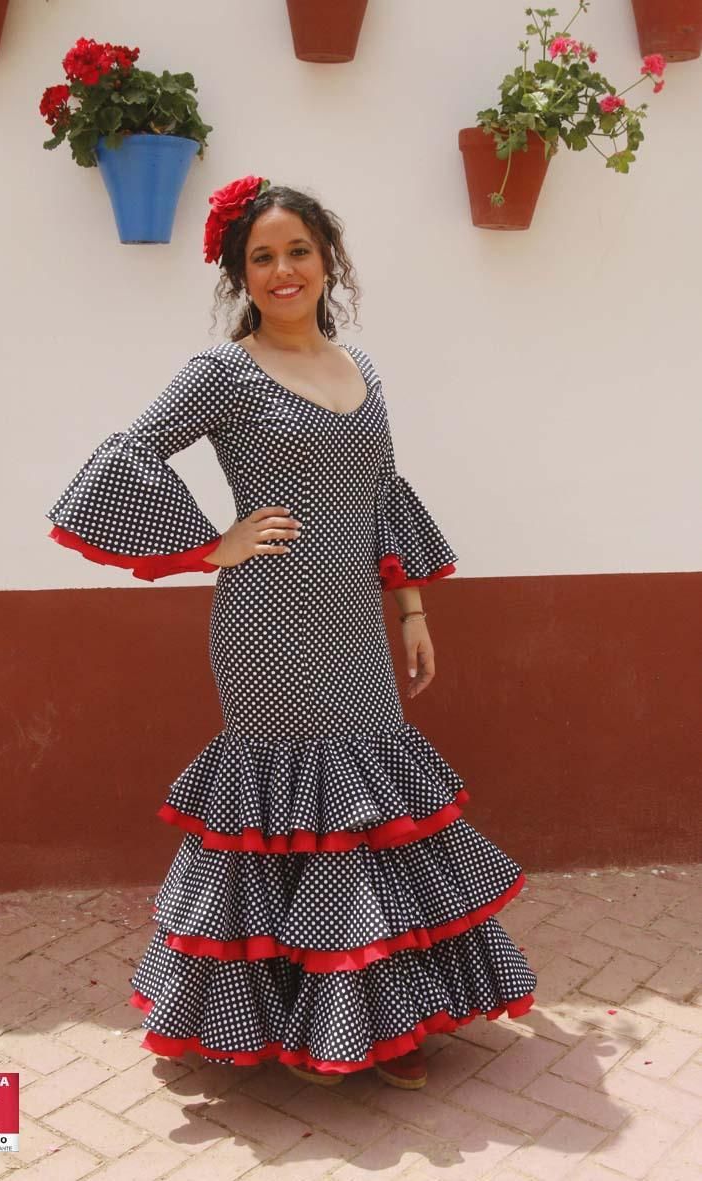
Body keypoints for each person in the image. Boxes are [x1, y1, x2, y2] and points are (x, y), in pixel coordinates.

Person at [46, 174, 537, 1090]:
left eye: (297, 252)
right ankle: (306, 1027)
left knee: (370, 812)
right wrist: (209, 545)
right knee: (299, 815)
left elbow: (378, 494)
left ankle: (379, 1022)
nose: (282, 271)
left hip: (357, 622)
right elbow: (123, 458)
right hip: (267, 626)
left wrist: (414, 610)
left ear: (327, 261)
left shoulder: (363, 369)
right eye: (261, 257)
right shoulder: (221, 372)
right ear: (240, 273)